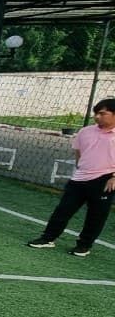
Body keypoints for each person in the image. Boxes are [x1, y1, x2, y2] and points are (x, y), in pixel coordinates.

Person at [28, 97, 115, 257]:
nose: (97, 117)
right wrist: (81, 166)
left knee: (96, 216)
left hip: (105, 180)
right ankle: (48, 238)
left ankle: (84, 245)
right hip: (79, 178)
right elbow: (78, 152)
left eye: (103, 113)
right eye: (96, 113)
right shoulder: (85, 131)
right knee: (63, 210)